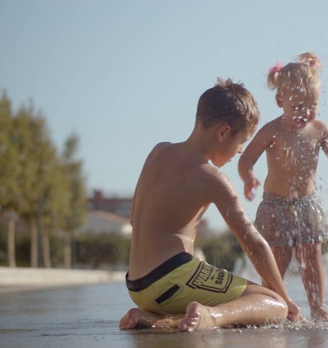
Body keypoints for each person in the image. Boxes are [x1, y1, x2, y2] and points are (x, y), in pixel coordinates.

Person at [119, 78, 302, 332]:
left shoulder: (158, 151)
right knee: (273, 305)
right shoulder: (211, 177)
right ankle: (210, 317)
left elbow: (134, 218)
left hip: (137, 285)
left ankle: (154, 317)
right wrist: (285, 299)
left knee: (190, 287)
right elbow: (253, 242)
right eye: (241, 143)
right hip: (171, 277)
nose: (239, 152)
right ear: (223, 132)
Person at [238, 52, 328, 321]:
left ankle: (318, 307)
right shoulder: (272, 130)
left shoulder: (319, 129)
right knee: (277, 259)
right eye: (298, 106)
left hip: (307, 204)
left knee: (312, 258)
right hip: (275, 205)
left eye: (311, 106)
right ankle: (273, 305)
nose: (305, 113)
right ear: (280, 100)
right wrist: (248, 177)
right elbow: (246, 158)